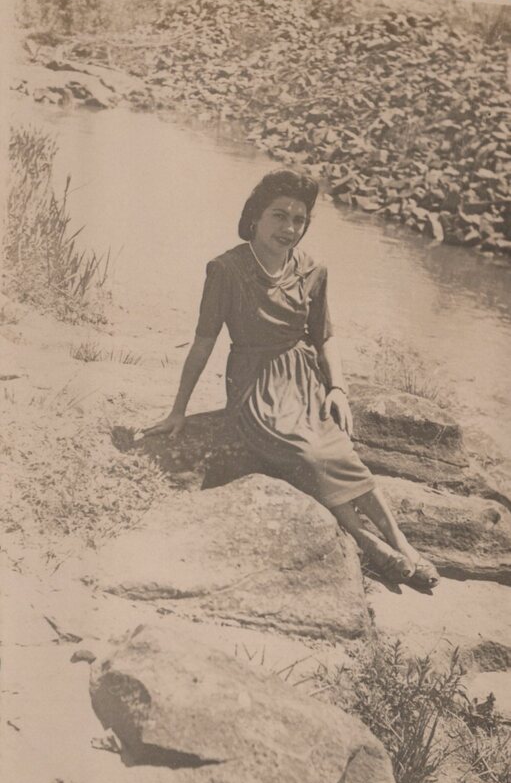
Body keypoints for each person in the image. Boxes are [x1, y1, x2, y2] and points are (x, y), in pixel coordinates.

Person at [143, 169, 439, 590]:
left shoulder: (313, 270)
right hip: (254, 383)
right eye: (279, 216)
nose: (289, 228)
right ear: (254, 218)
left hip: (303, 378)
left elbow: (324, 338)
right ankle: (367, 541)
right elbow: (204, 343)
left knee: (340, 451)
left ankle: (402, 544)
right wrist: (178, 411)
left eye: (299, 219)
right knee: (307, 454)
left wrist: (337, 388)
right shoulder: (225, 269)